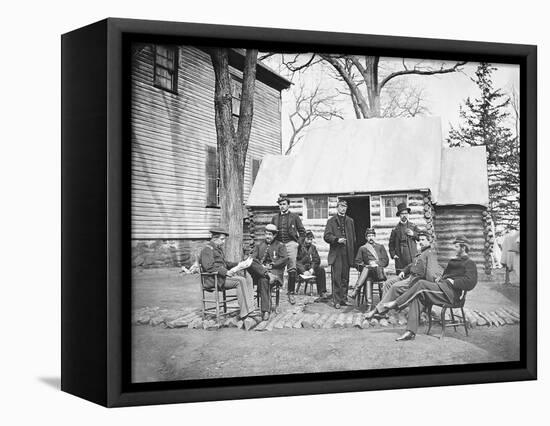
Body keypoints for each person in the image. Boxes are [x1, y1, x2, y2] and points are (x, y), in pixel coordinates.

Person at [382, 235, 478, 341]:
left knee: (421, 284)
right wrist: (440, 278)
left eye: (456, 247)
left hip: (451, 295)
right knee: (418, 297)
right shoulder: (453, 261)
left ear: (463, 248)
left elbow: (471, 282)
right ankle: (410, 332)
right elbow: (446, 275)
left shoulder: (469, 263)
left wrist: (454, 282)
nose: (454, 249)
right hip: (443, 289)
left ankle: (396, 303)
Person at [364, 229, 440, 319]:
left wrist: (428, 285)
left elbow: (430, 272)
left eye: (423, 240)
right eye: (420, 240)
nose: (420, 242)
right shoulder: (421, 251)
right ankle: (384, 312)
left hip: (416, 280)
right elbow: (412, 264)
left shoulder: (430, 253)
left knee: (395, 287)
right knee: (388, 283)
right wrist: (404, 271)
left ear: (429, 240)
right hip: (409, 276)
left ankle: (377, 310)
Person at [199, 227, 258, 319]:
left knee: (248, 278)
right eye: (221, 239)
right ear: (214, 238)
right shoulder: (207, 250)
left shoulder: (217, 249)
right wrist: (226, 272)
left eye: (224, 239)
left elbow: (224, 263)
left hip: (220, 277)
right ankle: (245, 312)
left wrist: (239, 264)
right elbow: (209, 267)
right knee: (240, 281)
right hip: (213, 279)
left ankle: (250, 307)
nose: (223, 242)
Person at [271, 194, 306, 305]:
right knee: (278, 266)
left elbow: (302, 232)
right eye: (280, 204)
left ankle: (291, 293)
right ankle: (277, 289)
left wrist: (297, 244)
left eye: (284, 204)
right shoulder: (275, 218)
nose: (282, 206)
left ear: (288, 205)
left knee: (292, 268)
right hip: (279, 244)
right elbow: (271, 232)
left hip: (291, 244)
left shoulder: (294, 217)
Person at [250, 224, 289, 320]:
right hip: (261, 271)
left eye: (270, 234)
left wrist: (273, 264)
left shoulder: (280, 246)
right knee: (261, 277)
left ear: (274, 235)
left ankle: (265, 311)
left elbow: (284, 259)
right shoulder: (259, 246)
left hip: (275, 272)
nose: (268, 236)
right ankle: (252, 308)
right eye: (266, 234)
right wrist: (261, 266)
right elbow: (253, 259)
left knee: (263, 280)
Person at [323, 199, 356, 309]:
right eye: (341, 206)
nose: (343, 208)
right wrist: (337, 240)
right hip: (336, 253)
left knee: (345, 277)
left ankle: (344, 299)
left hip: (347, 253)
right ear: (337, 207)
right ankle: (336, 300)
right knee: (336, 277)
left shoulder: (350, 221)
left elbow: (353, 238)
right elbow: (326, 236)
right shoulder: (331, 221)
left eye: (345, 207)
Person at [350, 228, 389, 306]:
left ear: (375, 236)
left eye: (372, 235)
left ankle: (356, 291)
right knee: (368, 276)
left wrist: (376, 263)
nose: (371, 237)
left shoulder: (380, 247)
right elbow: (357, 263)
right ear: (366, 237)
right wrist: (367, 265)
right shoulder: (362, 248)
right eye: (369, 236)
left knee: (367, 272)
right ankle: (369, 305)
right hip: (368, 274)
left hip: (379, 273)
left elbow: (386, 261)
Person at [388, 202, 420, 274]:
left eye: (406, 213)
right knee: (401, 277)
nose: (404, 215)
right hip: (400, 257)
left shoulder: (413, 226)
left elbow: (421, 236)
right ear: (399, 215)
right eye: (402, 213)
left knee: (413, 275)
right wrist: (393, 255)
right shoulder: (395, 229)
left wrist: (413, 234)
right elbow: (391, 244)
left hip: (411, 255)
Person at [296, 230, 328, 299]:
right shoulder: (298, 247)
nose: (310, 241)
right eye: (308, 239)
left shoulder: (313, 247)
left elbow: (316, 259)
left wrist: (312, 269)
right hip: (300, 269)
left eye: (311, 239)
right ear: (304, 238)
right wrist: (303, 271)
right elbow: (296, 261)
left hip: (310, 268)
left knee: (321, 270)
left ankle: (322, 292)